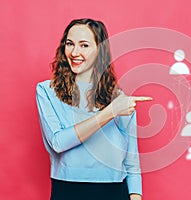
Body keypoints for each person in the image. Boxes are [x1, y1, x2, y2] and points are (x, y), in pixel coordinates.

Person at [36, 18, 152, 200]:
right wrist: (110, 112)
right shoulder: (46, 91)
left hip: (114, 191)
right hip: (68, 190)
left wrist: (135, 197)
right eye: (70, 44)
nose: (75, 52)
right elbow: (58, 143)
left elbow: (132, 163)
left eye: (84, 45)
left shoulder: (119, 99)